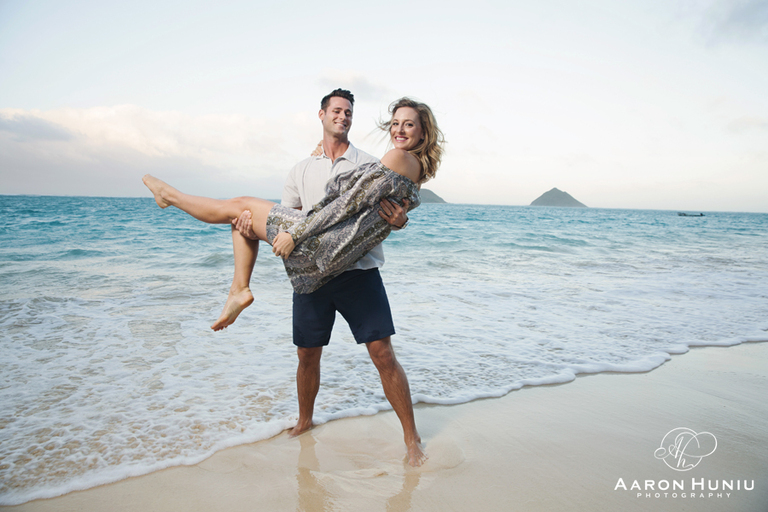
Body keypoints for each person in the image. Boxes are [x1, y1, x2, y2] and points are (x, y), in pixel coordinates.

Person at [143, 92, 444, 466]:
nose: (399, 129)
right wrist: (268, 228)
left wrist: (301, 233)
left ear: (421, 131)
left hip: (351, 268)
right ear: (321, 115)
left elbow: (348, 206)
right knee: (306, 352)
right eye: (395, 123)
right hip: (317, 266)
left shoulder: (377, 159)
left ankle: (175, 202)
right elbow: (302, 213)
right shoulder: (301, 169)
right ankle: (310, 420)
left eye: (408, 124)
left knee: (382, 354)